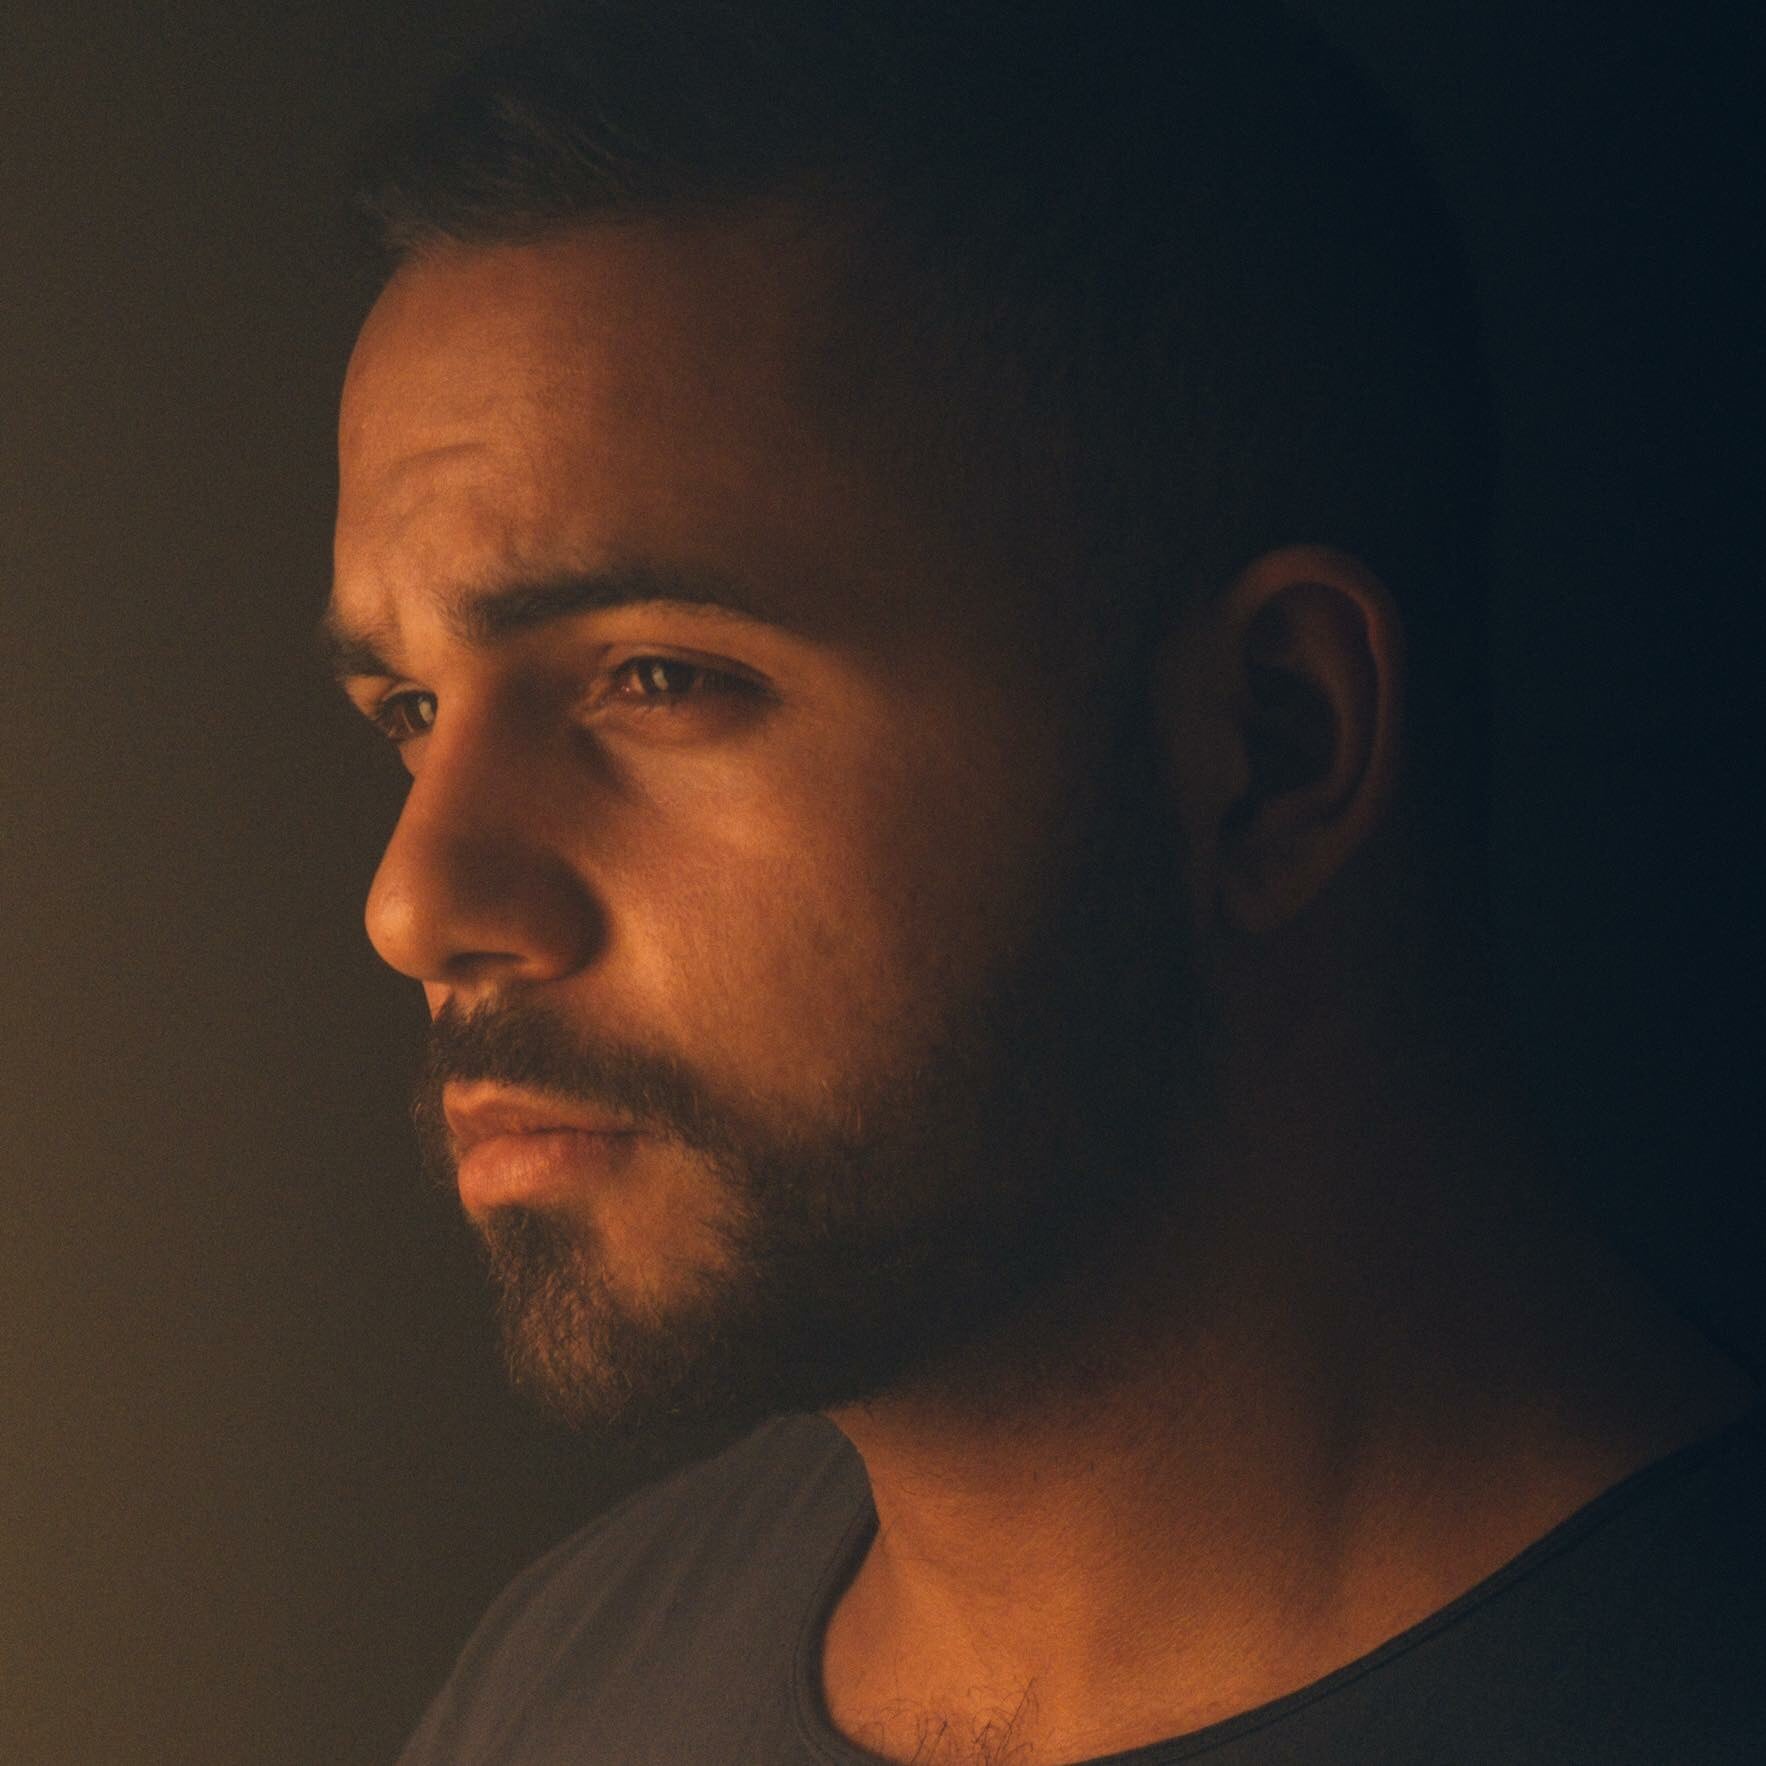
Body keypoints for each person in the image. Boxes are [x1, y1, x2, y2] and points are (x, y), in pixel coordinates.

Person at [322, 3, 1763, 1760]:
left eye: (657, 676)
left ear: (1270, 743)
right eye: (409, 710)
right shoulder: (563, 1680)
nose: (414, 902)